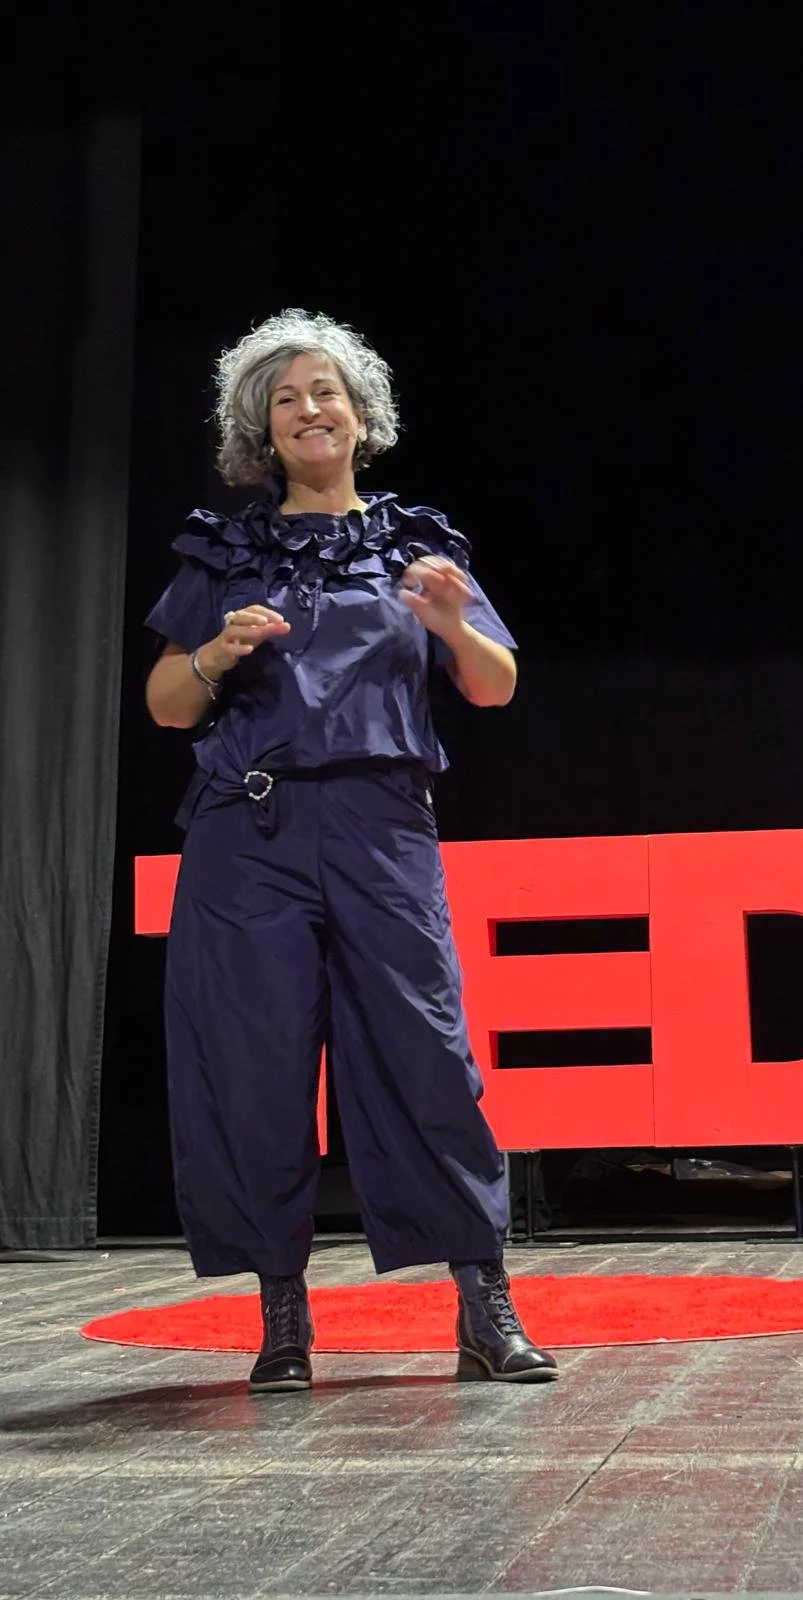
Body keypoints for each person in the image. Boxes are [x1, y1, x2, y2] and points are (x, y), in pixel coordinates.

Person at [144, 309, 557, 1392]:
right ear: (262, 431)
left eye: (323, 390)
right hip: (252, 831)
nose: (308, 408)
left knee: (428, 1058)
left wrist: (455, 625)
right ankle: (283, 1318)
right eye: (284, 399)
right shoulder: (226, 548)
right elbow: (165, 706)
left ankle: (483, 1306)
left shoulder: (419, 545)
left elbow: (494, 684)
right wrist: (219, 647)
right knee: (258, 1068)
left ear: (359, 411)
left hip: (382, 826)